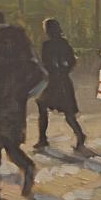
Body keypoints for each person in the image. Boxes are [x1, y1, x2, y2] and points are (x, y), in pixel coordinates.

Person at [0, 8, 46, 200]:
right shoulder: (19, 35)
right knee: (9, 140)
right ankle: (26, 167)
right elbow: (33, 63)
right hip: (17, 97)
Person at [34, 18, 86, 152]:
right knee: (68, 112)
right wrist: (65, 70)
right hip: (63, 80)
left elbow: (45, 63)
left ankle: (43, 139)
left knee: (43, 106)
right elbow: (72, 61)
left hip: (53, 82)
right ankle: (79, 135)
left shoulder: (47, 45)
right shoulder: (64, 43)